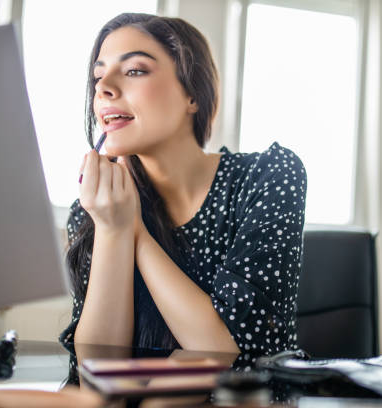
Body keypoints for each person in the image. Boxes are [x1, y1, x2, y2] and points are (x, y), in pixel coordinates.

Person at [59, 13, 307, 361]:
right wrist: (113, 228)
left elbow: (238, 355)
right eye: (98, 76)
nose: (103, 88)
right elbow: (96, 378)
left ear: (192, 93)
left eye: (134, 70)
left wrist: (135, 232)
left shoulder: (267, 176)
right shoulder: (92, 209)